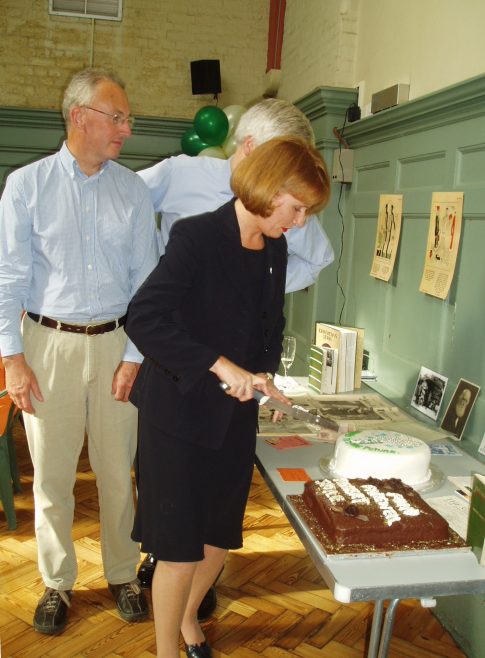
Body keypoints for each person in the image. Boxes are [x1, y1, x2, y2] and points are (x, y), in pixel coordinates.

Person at [125, 136, 331, 658]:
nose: (301, 221)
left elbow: (269, 324)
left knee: (219, 535)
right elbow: (145, 318)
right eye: (297, 207)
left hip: (233, 416)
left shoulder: (275, 246)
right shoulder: (196, 237)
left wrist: (263, 373)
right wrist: (219, 365)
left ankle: (190, 619)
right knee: (177, 549)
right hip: (177, 411)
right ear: (269, 189)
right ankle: (164, 650)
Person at [0, 68, 159, 634]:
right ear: (79, 117)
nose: (126, 129)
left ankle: (121, 573)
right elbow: (8, 277)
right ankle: (57, 583)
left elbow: (149, 282)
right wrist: (11, 358)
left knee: (119, 471)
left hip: (118, 341)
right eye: (115, 117)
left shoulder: (133, 190)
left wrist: (137, 355)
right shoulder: (27, 186)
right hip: (48, 346)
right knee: (52, 475)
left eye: (127, 118)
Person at [138, 98, 334, 294]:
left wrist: (259, 287)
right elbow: (126, 204)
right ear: (250, 146)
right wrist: (155, 261)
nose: (287, 173)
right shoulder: (181, 174)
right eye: (280, 161)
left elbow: (318, 258)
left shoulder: (289, 206)